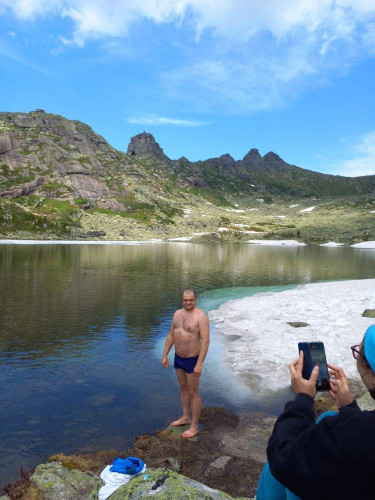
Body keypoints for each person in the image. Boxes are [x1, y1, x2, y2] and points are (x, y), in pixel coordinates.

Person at [256, 324, 375, 500]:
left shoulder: (354, 435)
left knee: (283, 471)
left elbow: (283, 458)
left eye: (358, 353)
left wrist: (302, 399)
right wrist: (349, 408)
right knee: (330, 416)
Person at [161, 289, 210, 438]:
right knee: (183, 387)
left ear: (195, 300)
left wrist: (199, 363)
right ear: (182, 300)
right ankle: (185, 417)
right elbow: (171, 335)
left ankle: (194, 427)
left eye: (191, 300)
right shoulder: (177, 314)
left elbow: (206, 341)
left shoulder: (201, 317)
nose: (188, 302)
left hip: (192, 359)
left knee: (193, 392)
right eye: (185, 300)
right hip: (178, 357)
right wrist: (165, 355)